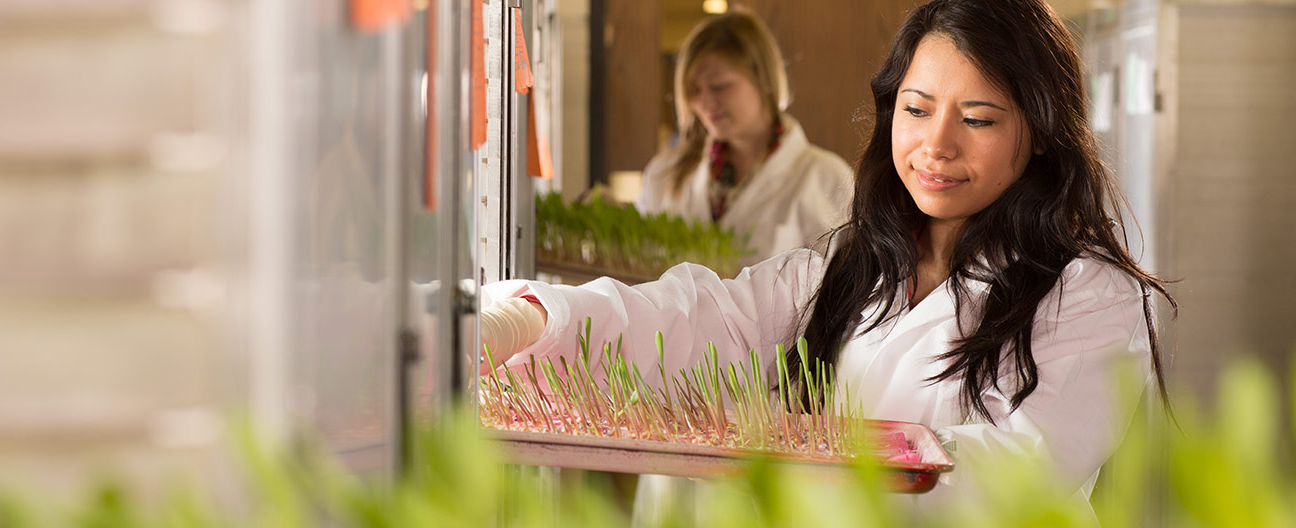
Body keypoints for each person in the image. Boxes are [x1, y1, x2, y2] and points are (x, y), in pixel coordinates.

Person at [481, 0, 1174, 516]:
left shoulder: (1090, 295)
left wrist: (802, 451)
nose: (936, 145)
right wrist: (534, 318)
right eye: (917, 108)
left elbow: (1021, 472)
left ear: (1045, 131)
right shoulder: (857, 265)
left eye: (979, 119)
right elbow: (708, 316)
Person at [635, 9, 853, 268]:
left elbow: (844, 287)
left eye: (719, 86)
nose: (705, 103)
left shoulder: (827, 178)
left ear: (763, 79)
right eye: (694, 90)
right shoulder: (665, 173)